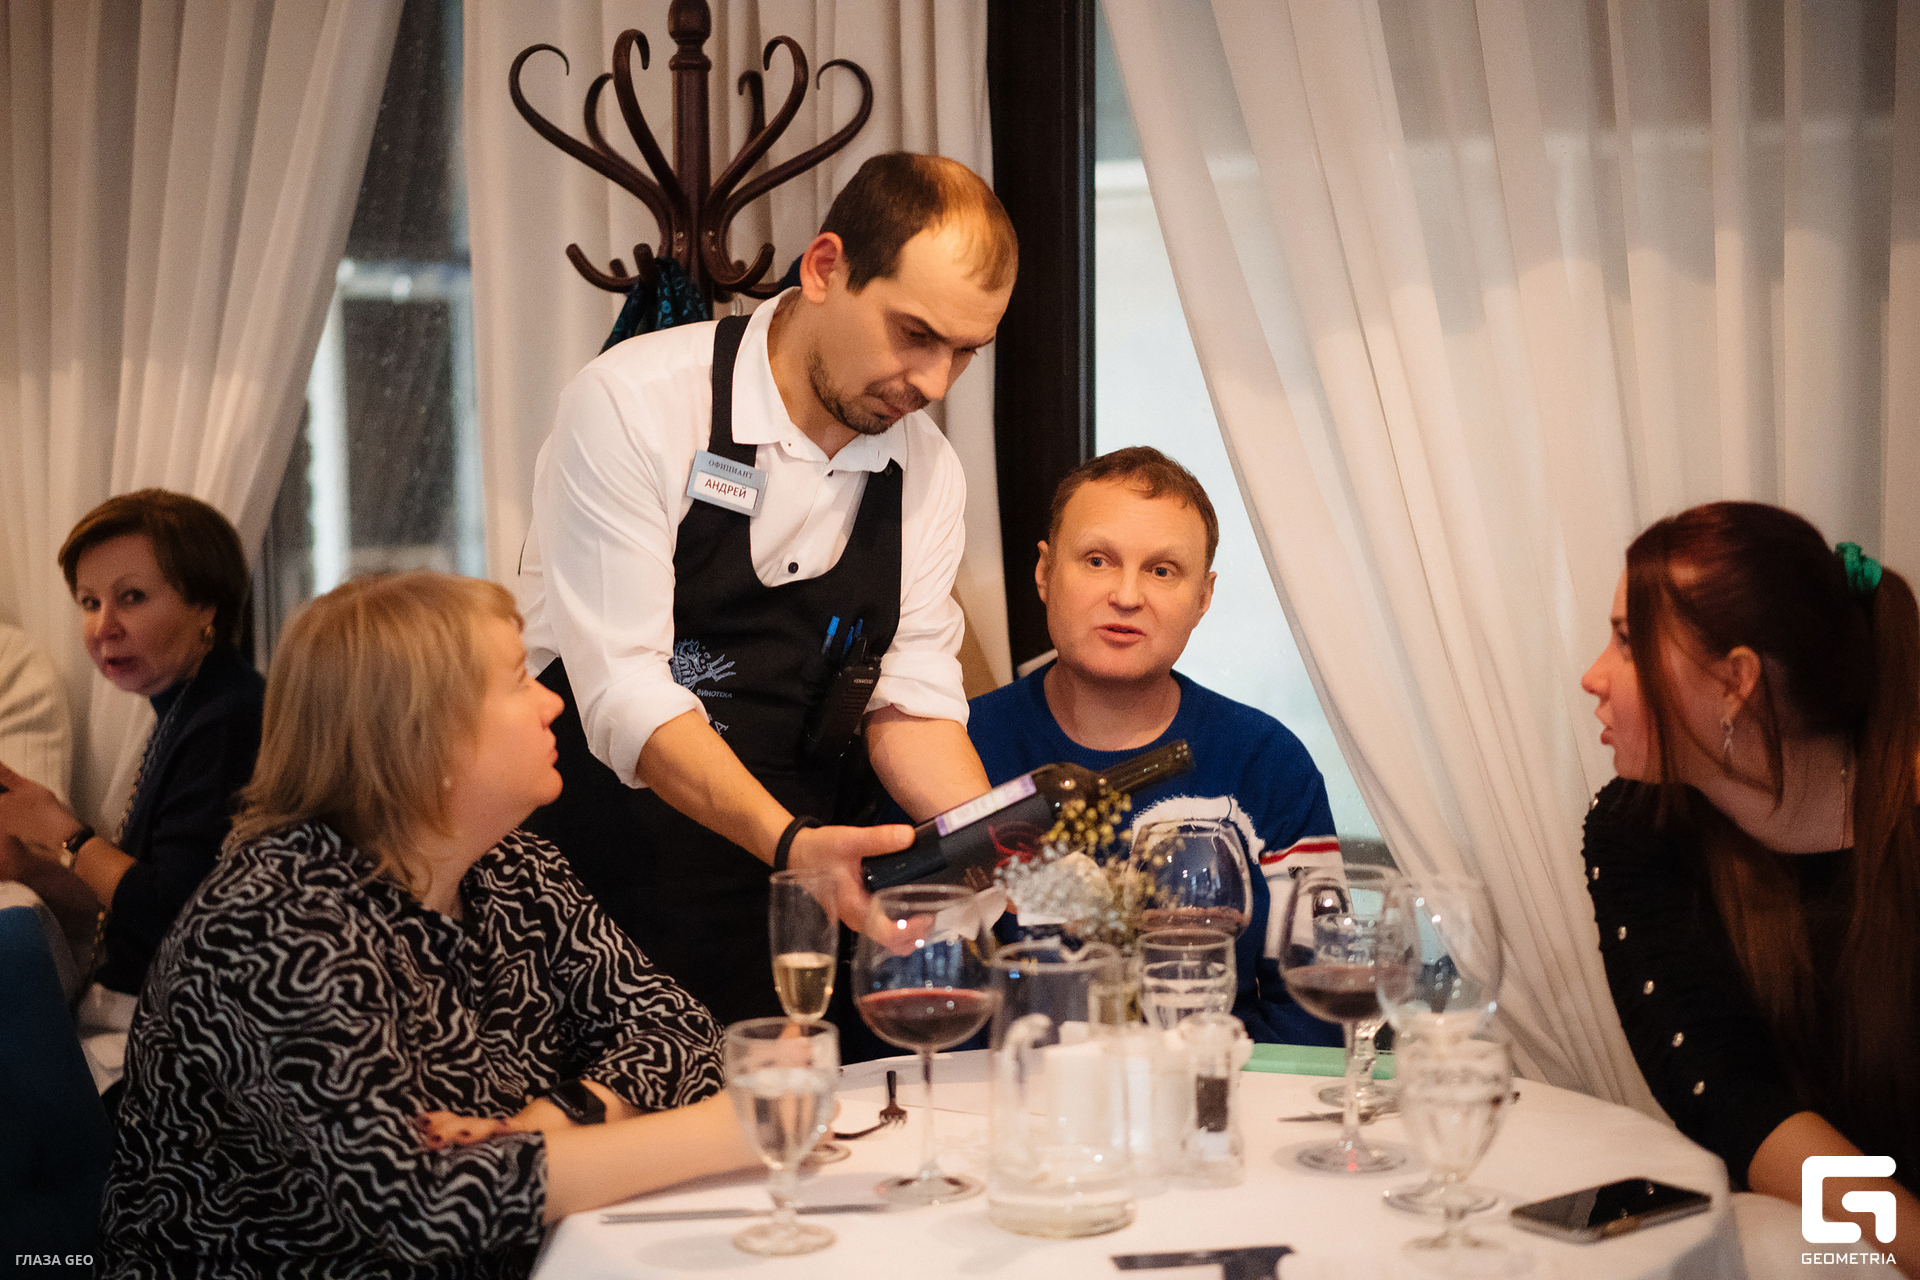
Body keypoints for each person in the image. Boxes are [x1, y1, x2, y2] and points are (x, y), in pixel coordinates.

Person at [99, 573, 753, 1279]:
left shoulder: (509, 865)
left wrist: (550, 1119)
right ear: (424, 735)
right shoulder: (273, 924)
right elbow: (420, 1203)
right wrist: (738, 1130)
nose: (552, 702)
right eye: (517, 682)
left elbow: (680, 1031)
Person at [518, 152, 1019, 1025]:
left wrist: (1002, 849)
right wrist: (788, 842)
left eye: (964, 353)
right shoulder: (635, 403)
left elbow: (911, 701)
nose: (934, 384)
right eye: (915, 334)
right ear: (824, 268)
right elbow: (625, 691)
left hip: (795, 897)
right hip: (599, 896)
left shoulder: (927, 470)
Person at [1580, 501, 1918, 1275]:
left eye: (1628, 642)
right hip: (1827, 1234)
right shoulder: (1635, 831)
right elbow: (1736, 1100)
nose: (1593, 676)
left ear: (1736, 681)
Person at [967, 447, 1343, 1045]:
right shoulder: (953, 749)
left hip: (1213, 1089)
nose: (1126, 595)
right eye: (1097, 561)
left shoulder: (1268, 763)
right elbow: (908, 985)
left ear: (1203, 597)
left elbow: (1318, 1008)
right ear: (1044, 572)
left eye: (1162, 571)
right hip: (1003, 1090)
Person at [0, 490, 263, 1092]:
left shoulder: (227, 718)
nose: (103, 628)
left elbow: (174, 911)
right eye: (89, 602)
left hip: (171, 1050)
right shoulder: (189, 707)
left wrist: (61, 830)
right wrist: (28, 863)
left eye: (132, 598)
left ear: (205, 604)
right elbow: (137, 894)